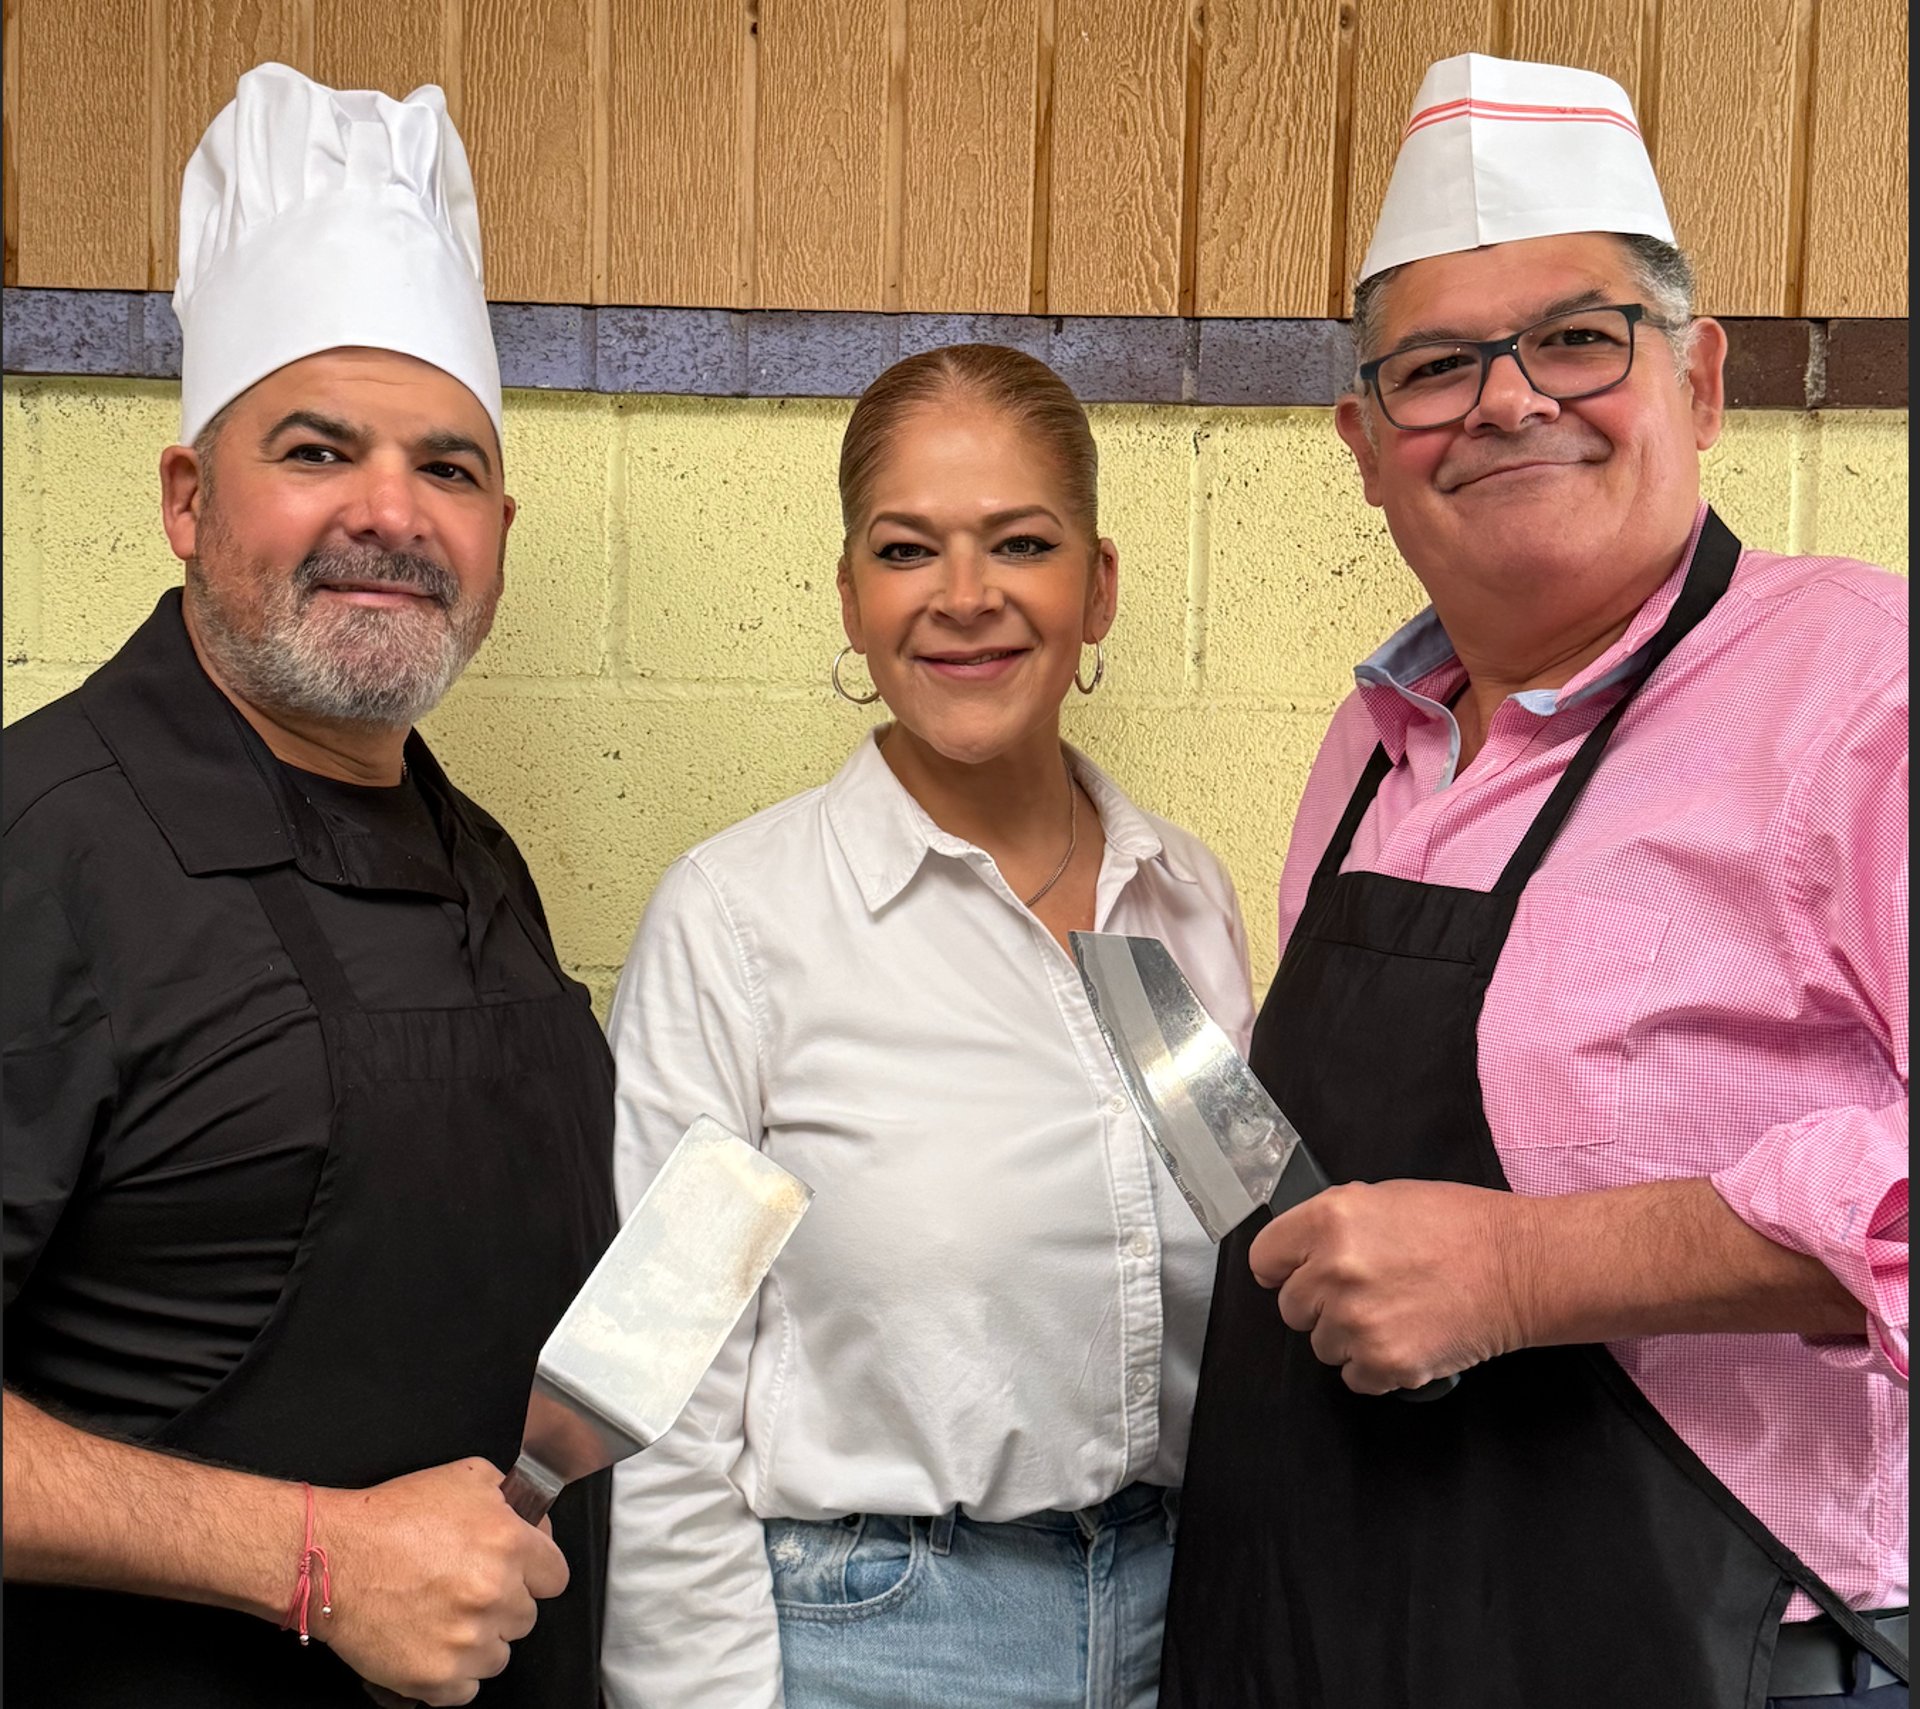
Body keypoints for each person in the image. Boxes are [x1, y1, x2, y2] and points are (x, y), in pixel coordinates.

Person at [1159, 51, 1909, 1709]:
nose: (1508, 400)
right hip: (1358, 1633)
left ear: (1701, 380)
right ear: (1364, 444)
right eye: (1435, 367)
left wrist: (1524, 1271)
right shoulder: (1371, 748)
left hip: (1718, 1652)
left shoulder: (1866, 692)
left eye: (1577, 337)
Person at [2, 64, 616, 1707]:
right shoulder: (43, 844)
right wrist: (314, 1560)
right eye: (317, 448)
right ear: (188, 500)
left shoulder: (474, 859)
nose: (389, 515)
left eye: (450, 467)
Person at [598, 343, 1255, 1709]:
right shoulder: (742, 926)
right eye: (909, 550)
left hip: (1184, 1627)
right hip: (874, 1650)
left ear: (1100, 586)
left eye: (1021, 542)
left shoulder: (1182, 900)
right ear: (851, 595)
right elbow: (659, 1386)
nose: (966, 598)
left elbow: (1246, 1253)